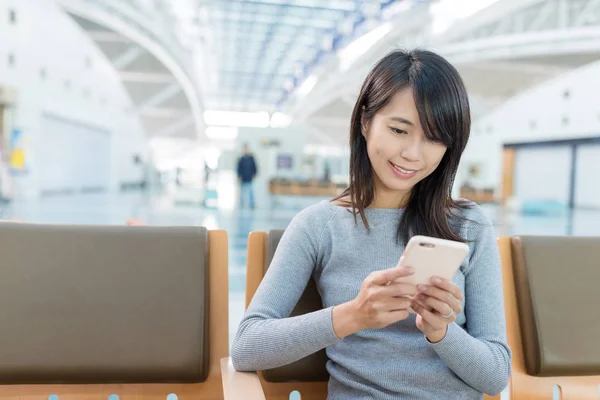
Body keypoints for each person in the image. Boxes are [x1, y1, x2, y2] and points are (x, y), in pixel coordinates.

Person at [231, 49, 511, 399]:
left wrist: (441, 331)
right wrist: (354, 315)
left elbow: (496, 374)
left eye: (434, 137)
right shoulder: (318, 226)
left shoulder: (469, 225)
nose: (413, 153)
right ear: (365, 123)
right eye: (398, 129)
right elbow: (246, 346)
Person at [236, 144, 257, 209]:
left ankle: (252, 203)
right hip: (243, 177)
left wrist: (254, 174)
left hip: (249, 176)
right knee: (242, 191)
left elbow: (254, 167)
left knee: (251, 191)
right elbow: (239, 168)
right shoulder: (241, 159)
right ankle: (242, 203)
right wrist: (239, 176)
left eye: (246, 148)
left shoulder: (251, 158)